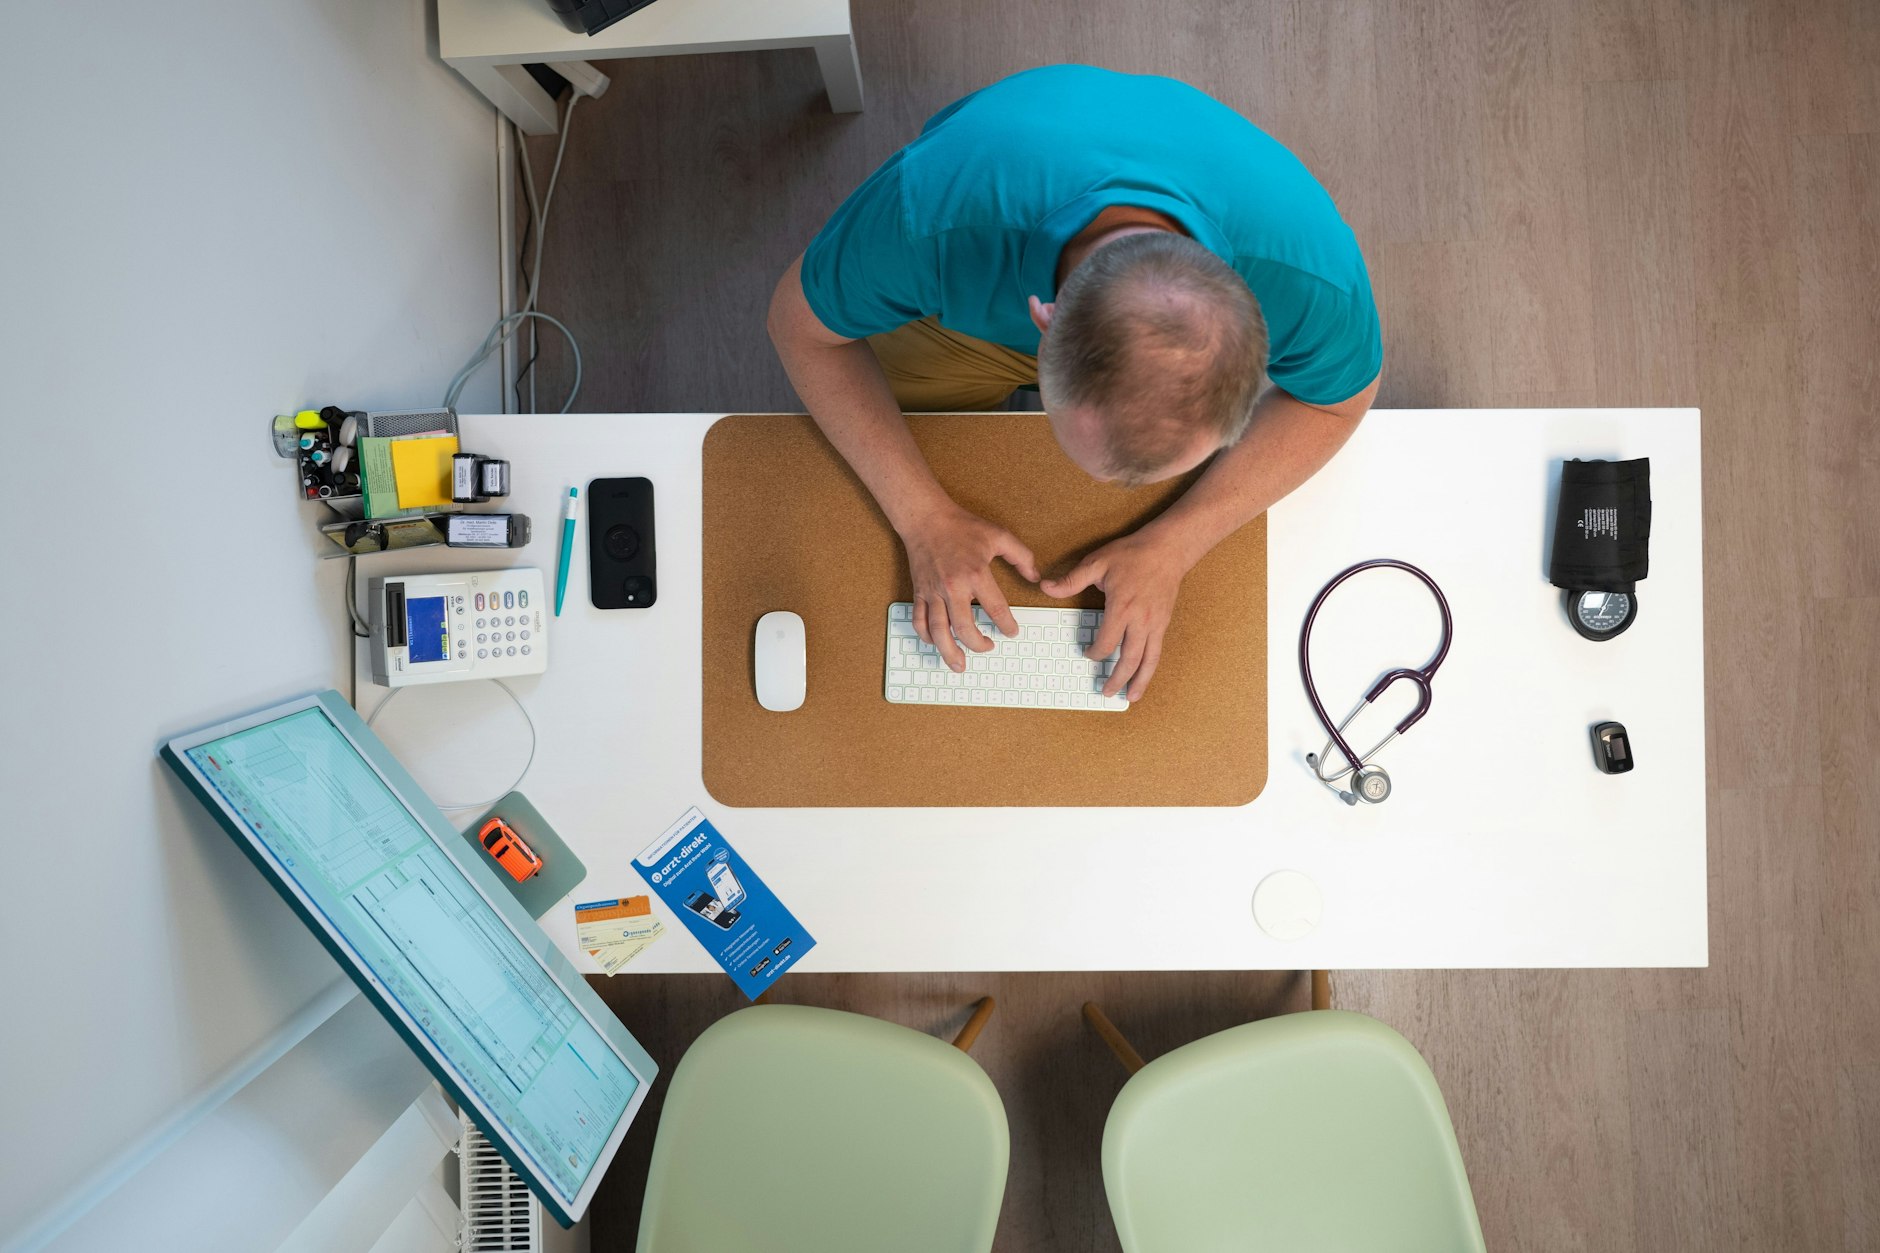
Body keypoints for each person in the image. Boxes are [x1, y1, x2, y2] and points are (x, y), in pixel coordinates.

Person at [767, 64, 1381, 702]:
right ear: (1042, 321)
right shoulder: (929, 218)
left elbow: (1338, 405)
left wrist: (1178, 540)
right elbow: (798, 326)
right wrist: (922, 517)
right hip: (968, 287)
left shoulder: (1310, 281)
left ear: (1256, 352)